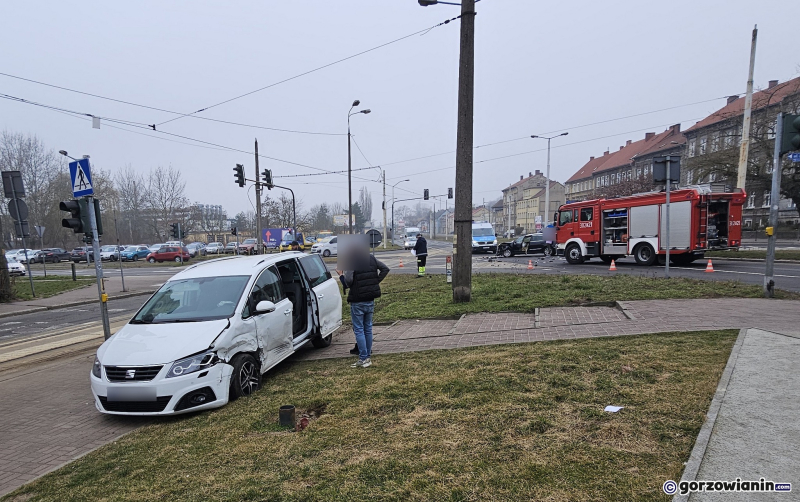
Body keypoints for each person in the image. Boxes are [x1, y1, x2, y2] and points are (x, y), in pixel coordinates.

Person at [336, 250, 390, 368]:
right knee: (368, 328)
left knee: (359, 329)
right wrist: (375, 282)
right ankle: (368, 357)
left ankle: (363, 357)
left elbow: (348, 282)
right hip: (370, 298)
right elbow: (385, 269)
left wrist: (340, 275)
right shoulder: (371, 258)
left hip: (357, 299)